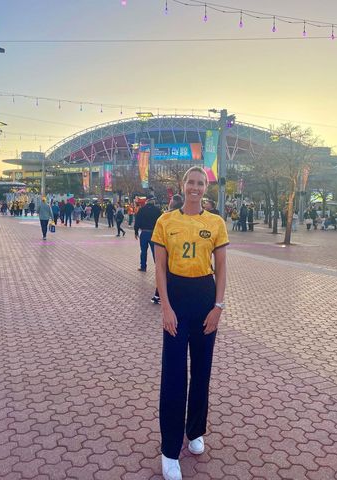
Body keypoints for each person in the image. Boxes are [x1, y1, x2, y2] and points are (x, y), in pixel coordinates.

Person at [152, 166, 228, 480]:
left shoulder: (216, 223)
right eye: (191, 183)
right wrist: (166, 307)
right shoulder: (165, 221)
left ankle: (195, 430)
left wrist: (218, 307)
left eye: (200, 183)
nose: (195, 188)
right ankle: (170, 451)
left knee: (201, 369)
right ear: (182, 186)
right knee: (173, 374)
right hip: (177, 297)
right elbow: (159, 269)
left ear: (205, 188)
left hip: (204, 298)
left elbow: (221, 268)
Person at [134, 194, 162, 272]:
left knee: (143, 251)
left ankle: (143, 267)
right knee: (155, 252)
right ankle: (158, 268)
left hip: (144, 233)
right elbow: (161, 222)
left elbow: (137, 221)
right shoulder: (157, 210)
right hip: (154, 233)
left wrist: (136, 232)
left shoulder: (142, 210)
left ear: (147, 201)